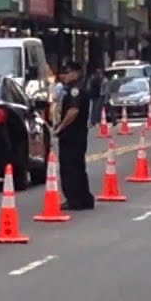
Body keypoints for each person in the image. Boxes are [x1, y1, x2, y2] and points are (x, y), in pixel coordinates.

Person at [54, 60, 94, 210]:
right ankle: (84, 198)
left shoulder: (74, 90)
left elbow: (73, 111)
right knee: (78, 166)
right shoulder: (75, 88)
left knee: (70, 167)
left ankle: (74, 199)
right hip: (78, 134)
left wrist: (61, 127)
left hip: (72, 135)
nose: (65, 75)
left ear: (76, 73)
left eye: (68, 72)